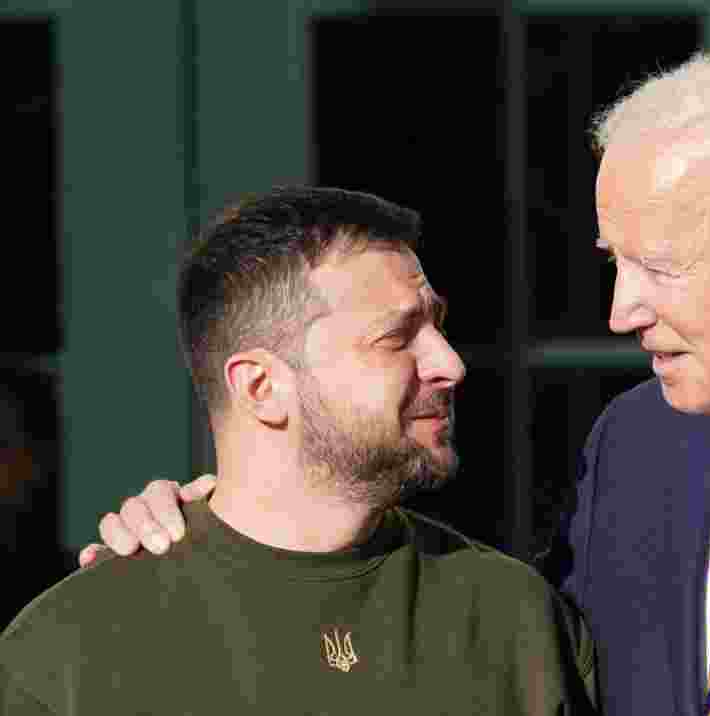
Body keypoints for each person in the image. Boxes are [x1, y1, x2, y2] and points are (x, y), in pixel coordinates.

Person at [86, 53, 710, 714]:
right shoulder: (637, 446)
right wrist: (233, 536)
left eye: (659, 268)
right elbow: (492, 659)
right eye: (616, 263)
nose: (623, 310)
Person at [0, 187, 596, 714]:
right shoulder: (73, 650)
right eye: (396, 338)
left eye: (437, 326)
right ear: (262, 388)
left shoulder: (515, 620)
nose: (450, 364)